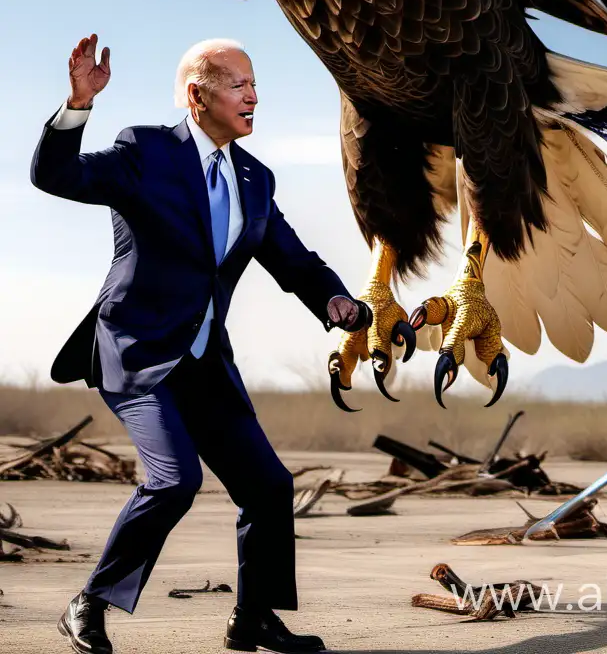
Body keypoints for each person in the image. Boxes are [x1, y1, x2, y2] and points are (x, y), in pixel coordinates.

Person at [32, 34, 368, 654]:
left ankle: (253, 619)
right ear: (198, 94)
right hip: (136, 351)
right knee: (174, 480)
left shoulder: (254, 178)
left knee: (267, 485)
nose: (254, 97)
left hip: (204, 359)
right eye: (240, 85)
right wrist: (77, 105)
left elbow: (294, 261)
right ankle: (91, 601)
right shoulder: (146, 150)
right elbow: (56, 176)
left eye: (255, 84)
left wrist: (337, 303)